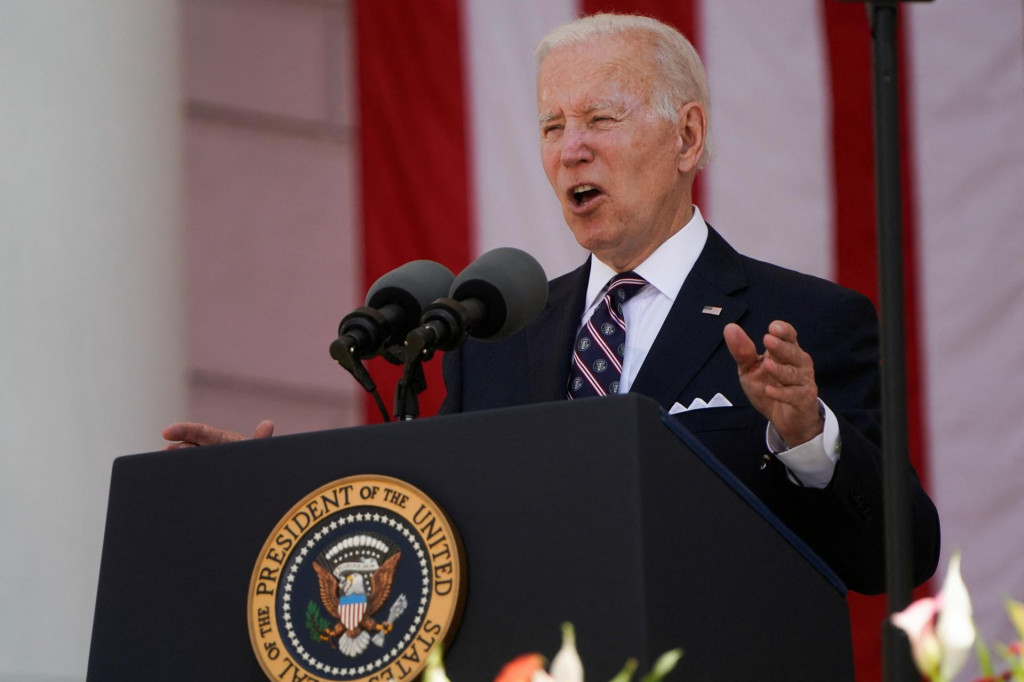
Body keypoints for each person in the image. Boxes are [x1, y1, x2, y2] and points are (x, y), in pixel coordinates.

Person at [164, 13, 939, 595]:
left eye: (601, 119)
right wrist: (267, 493)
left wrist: (807, 435)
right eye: (551, 125)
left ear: (688, 137)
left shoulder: (802, 321)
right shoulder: (495, 335)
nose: (571, 148)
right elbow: (423, 543)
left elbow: (896, 558)